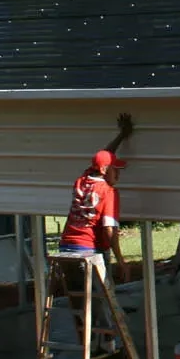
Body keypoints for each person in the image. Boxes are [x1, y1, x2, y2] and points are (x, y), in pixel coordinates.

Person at [58, 113, 135, 271]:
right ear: (105, 170)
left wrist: (121, 136)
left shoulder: (83, 180)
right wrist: (121, 261)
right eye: (116, 170)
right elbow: (108, 229)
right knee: (97, 294)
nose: (118, 174)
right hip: (89, 250)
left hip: (66, 247)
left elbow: (102, 157)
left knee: (75, 292)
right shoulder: (108, 192)